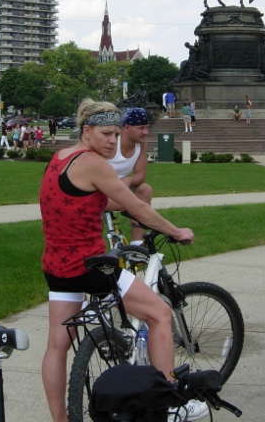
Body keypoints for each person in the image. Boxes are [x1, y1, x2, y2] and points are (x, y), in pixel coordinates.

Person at [40, 99, 206, 422]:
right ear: (86, 131)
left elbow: (89, 202)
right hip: (91, 267)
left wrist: (122, 204)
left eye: (116, 134)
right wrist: (175, 230)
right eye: (105, 133)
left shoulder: (61, 158)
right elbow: (138, 208)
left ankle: (60, 420)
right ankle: (170, 405)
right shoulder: (93, 163)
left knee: (58, 345)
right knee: (159, 313)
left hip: (57, 268)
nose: (112, 141)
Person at [108, 107, 153, 246]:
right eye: (141, 128)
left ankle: (137, 244)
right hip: (100, 191)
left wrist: (127, 180)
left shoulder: (141, 144)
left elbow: (140, 175)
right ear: (126, 127)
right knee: (135, 205)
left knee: (145, 190)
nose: (145, 132)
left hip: (119, 190)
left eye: (147, 127)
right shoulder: (112, 143)